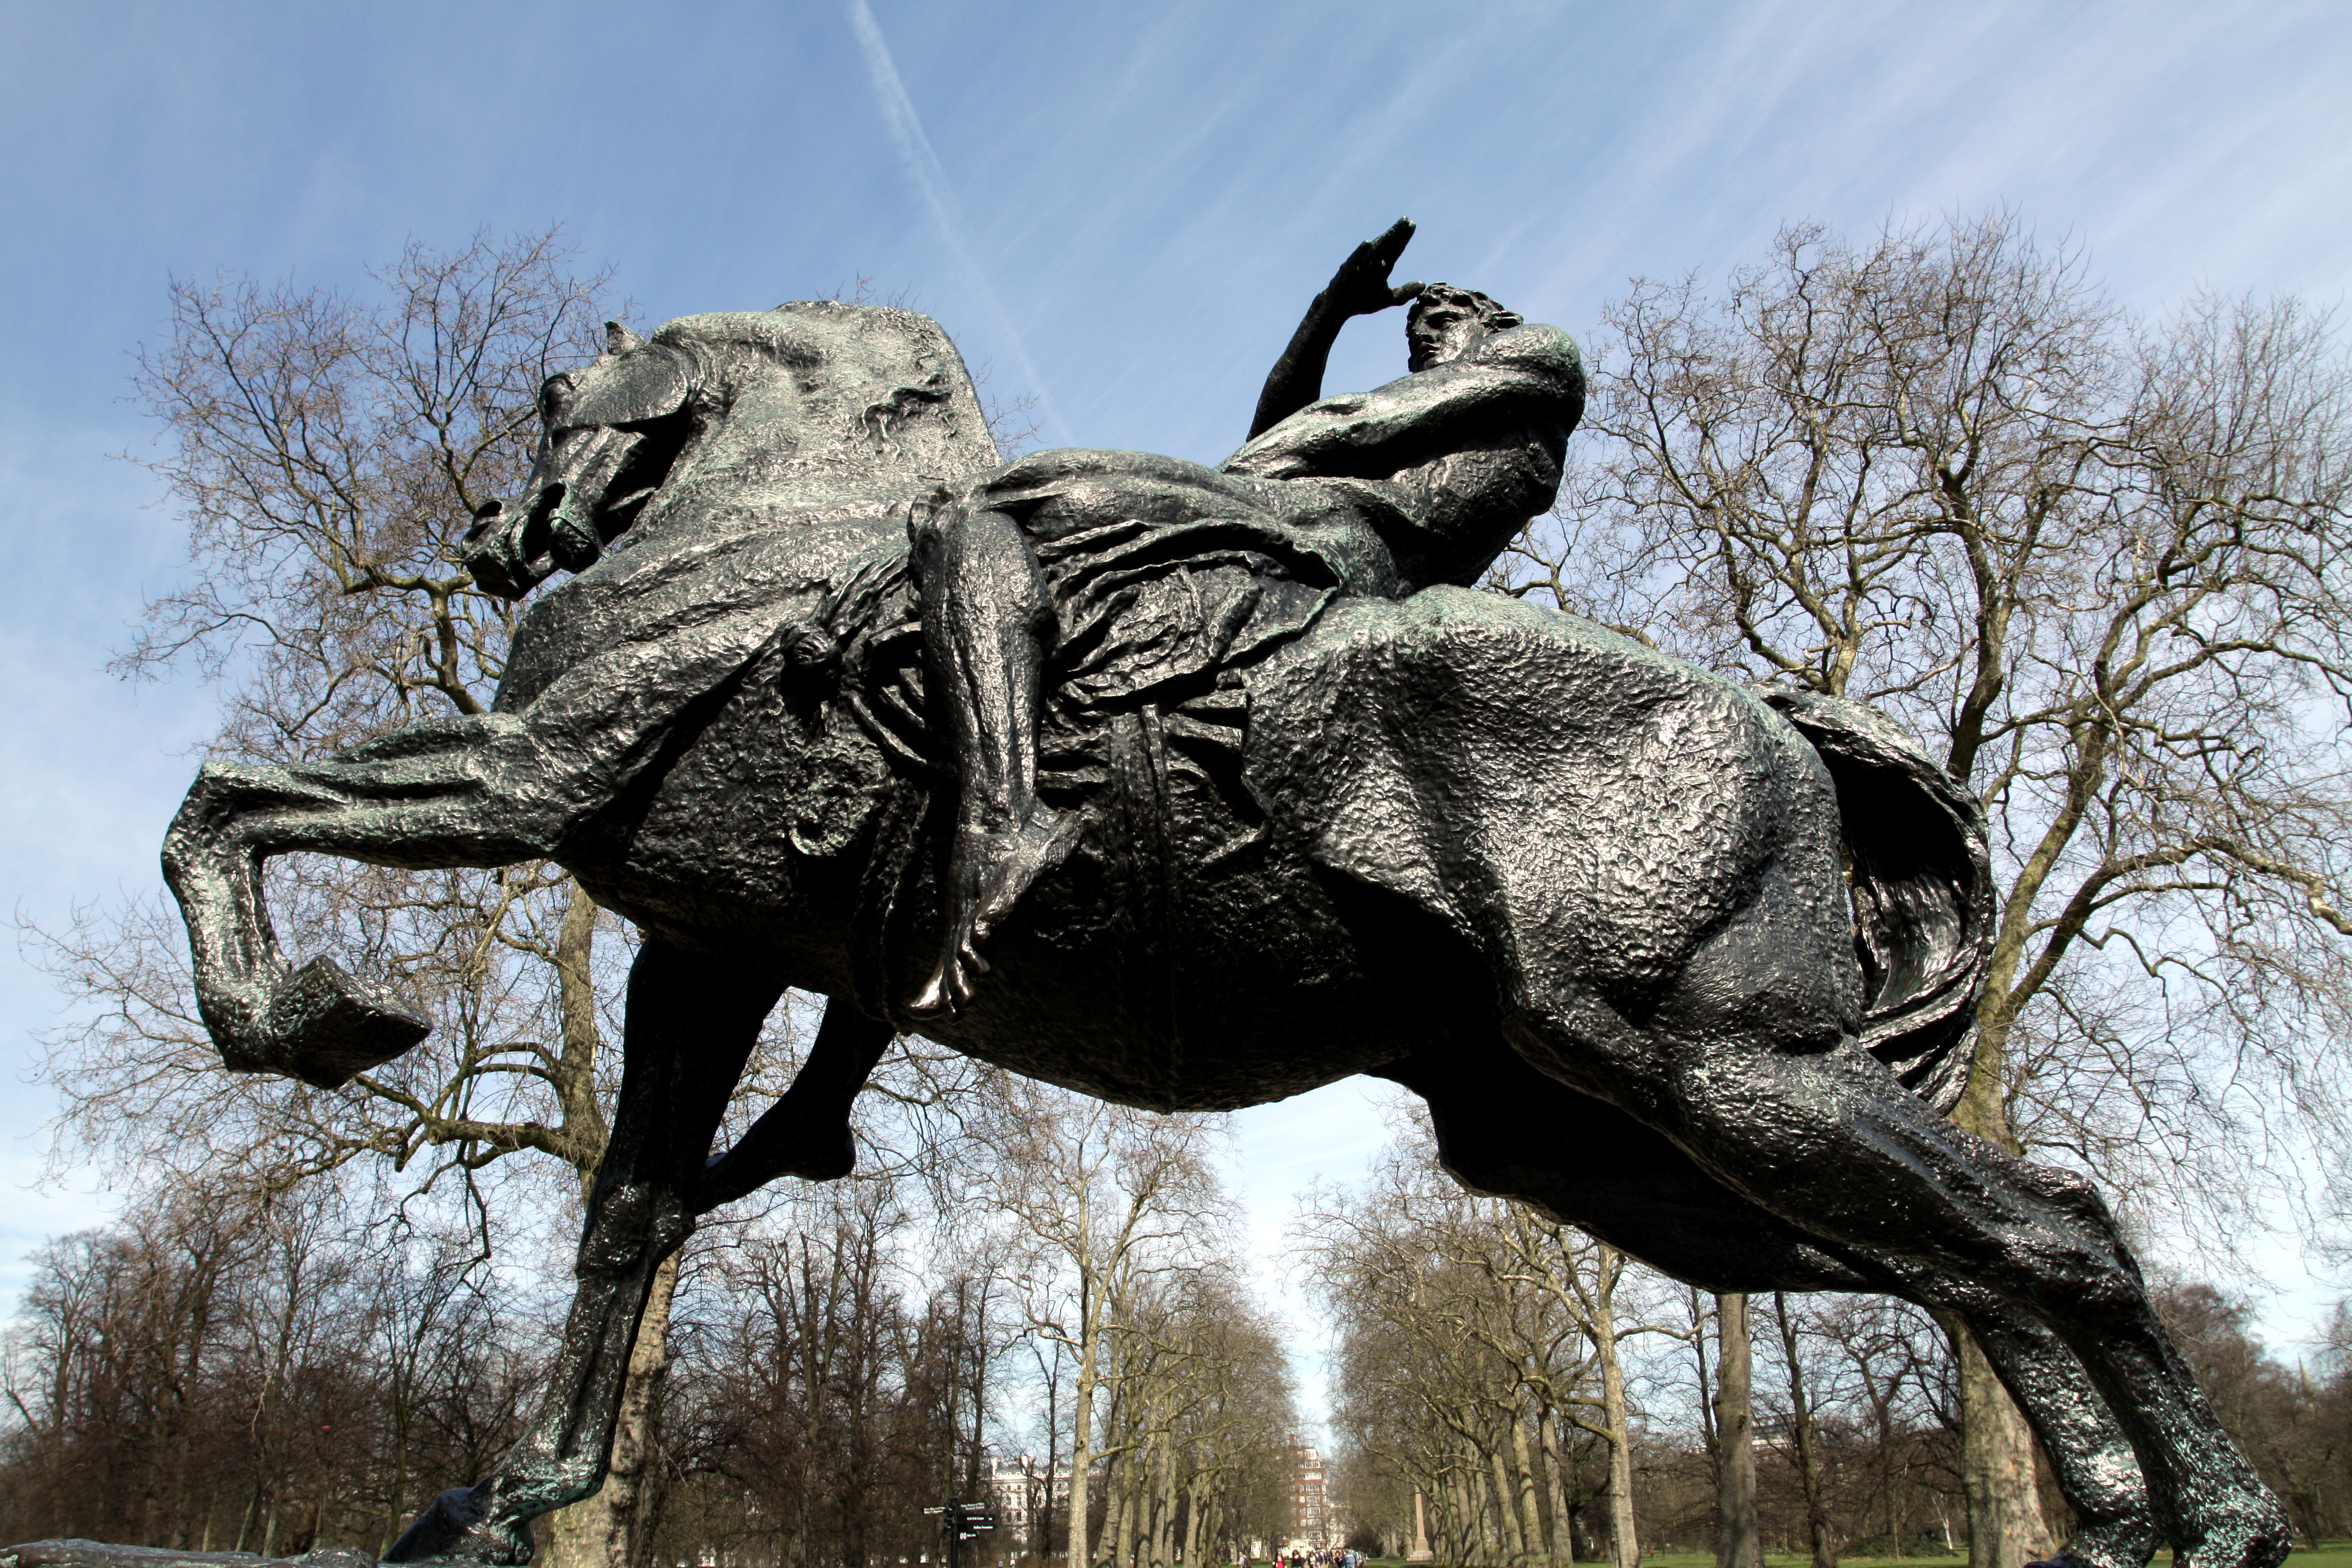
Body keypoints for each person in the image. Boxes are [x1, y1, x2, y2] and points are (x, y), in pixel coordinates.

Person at [906, 218, 1584, 1014]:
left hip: (1331, 544)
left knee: (1001, 504)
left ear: (1492, 320)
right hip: (1303, 522)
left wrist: (1227, 481)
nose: (1424, 334)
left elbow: (1349, 422)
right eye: (1414, 326)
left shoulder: (1541, 354)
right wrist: (1326, 315)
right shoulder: (1444, 412)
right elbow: (1289, 425)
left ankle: (1004, 817)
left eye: (1442, 317)